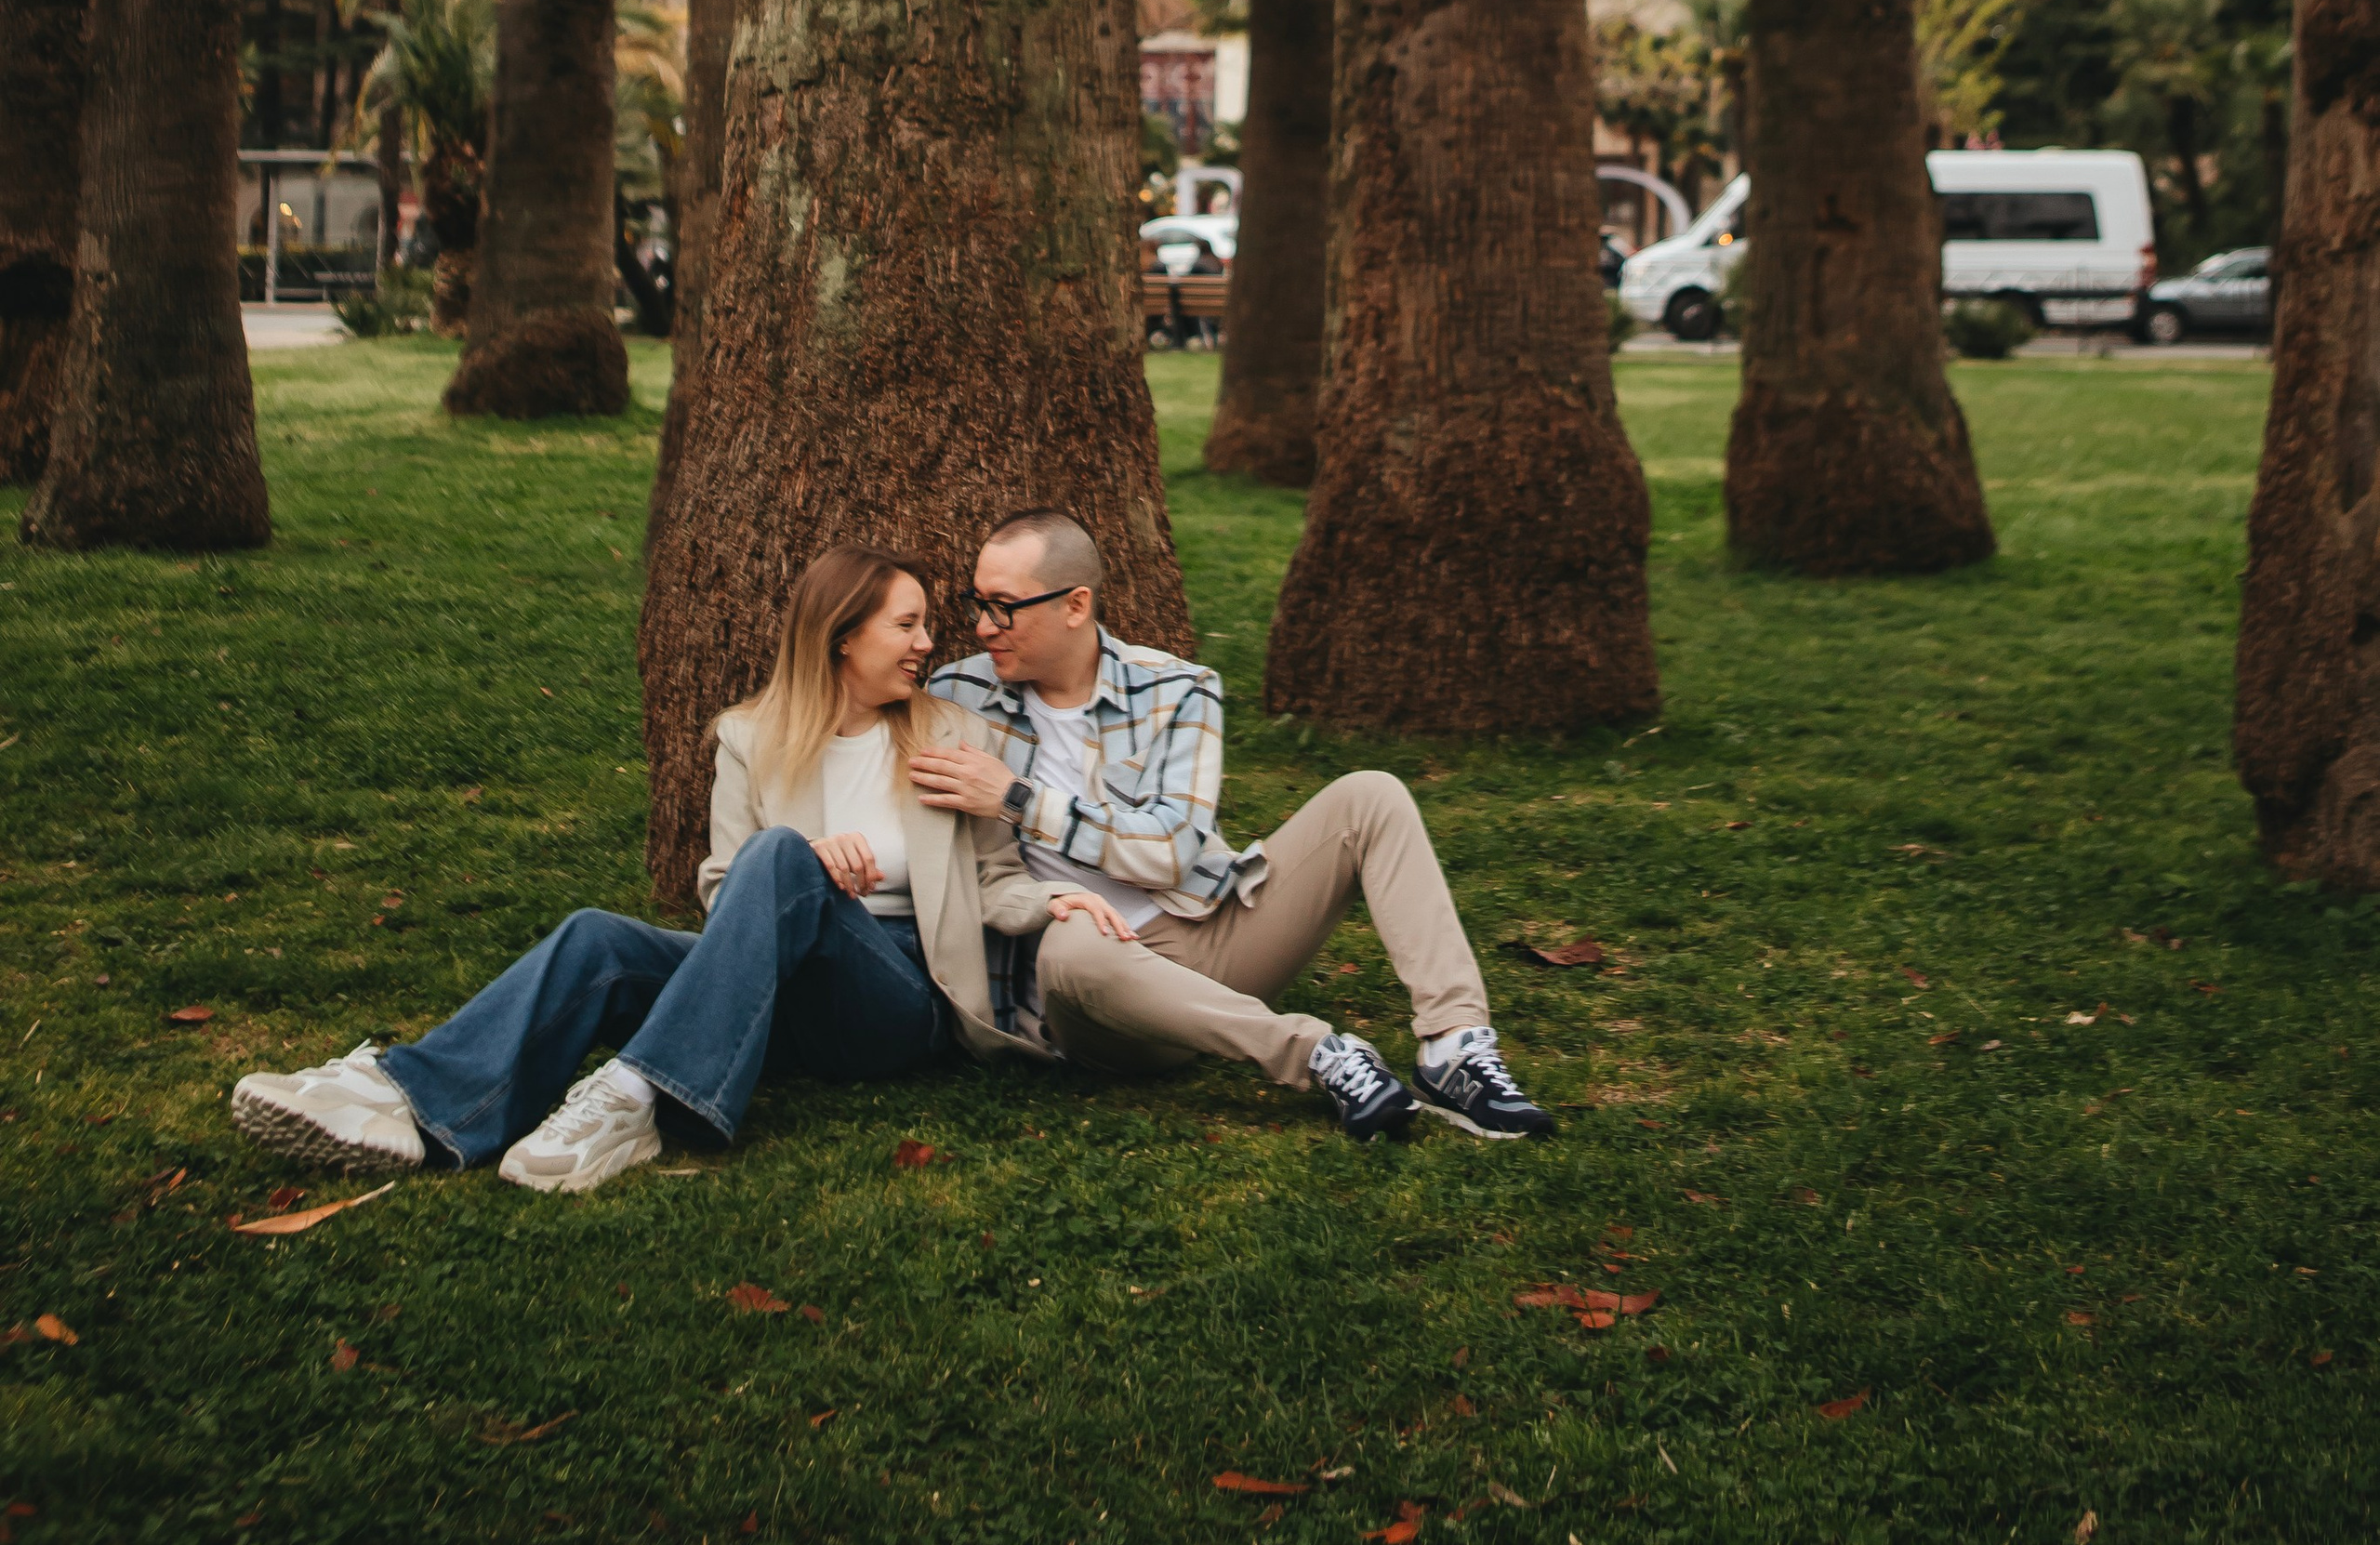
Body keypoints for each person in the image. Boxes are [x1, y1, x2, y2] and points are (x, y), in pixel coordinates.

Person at [229, 545, 1134, 1195]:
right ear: (841, 635)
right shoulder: (750, 738)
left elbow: (995, 880)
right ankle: (411, 1102)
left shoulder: (951, 735)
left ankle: (636, 1094)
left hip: (899, 995)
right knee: (598, 937)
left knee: (778, 857)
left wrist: (1054, 898)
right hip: (766, 988)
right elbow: (717, 889)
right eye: (906, 623)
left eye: (924, 625)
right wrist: (808, 869)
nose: (925, 642)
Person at [913, 508, 1554, 1143]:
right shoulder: (955, 696)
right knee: (1069, 939)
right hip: (1098, 993)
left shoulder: (1177, 688)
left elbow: (1167, 851)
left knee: (1372, 795)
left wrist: (1021, 798)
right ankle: (1317, 1054)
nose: (981, 625)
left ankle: (1454, 1049)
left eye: (1003, 606)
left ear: (1075, 604)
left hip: (1211, 935)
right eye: (977, 602)